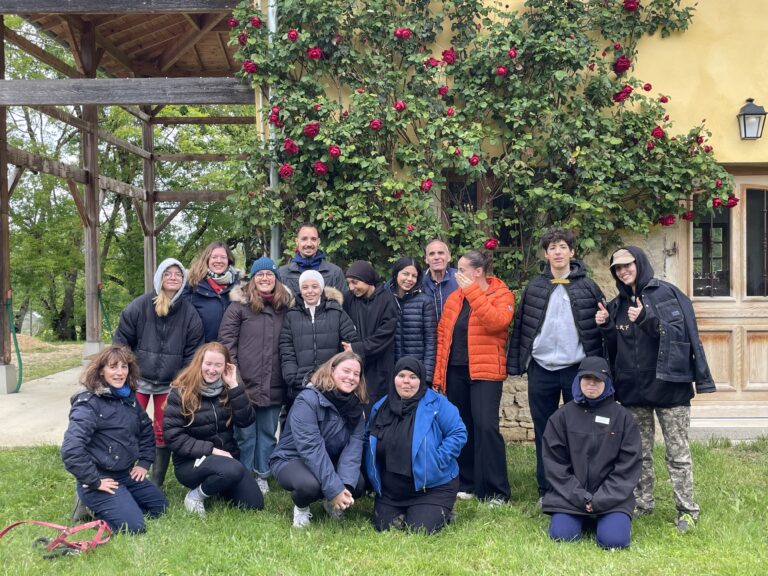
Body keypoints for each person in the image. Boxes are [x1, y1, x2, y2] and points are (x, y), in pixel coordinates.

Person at [596, 246, 715, 532]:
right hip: (633, 390)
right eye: (617, 268)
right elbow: (614, 349)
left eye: (628, 265)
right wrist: (607, 327)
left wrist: (646, 320)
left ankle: (687, 510)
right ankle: (642, 503)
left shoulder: (668, 294)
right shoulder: (616, 305)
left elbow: (680, 335)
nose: (623, 271)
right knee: (638, 453)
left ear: (640, 263)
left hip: (670, 388)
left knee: (677, 454)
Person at [506, 228, 605, 501]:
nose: (558, 252)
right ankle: (547, 488)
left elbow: (600, 329)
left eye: (562, 247)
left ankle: (579, 486)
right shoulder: (535, 287)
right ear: (546, 254)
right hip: (542, 368)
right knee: (545, 430)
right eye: (552, 248)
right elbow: (522, 327)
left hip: (576, 369)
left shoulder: (588, 287)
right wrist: (517, 364)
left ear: (572, 251)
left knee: (580, 430)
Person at [113, 257, 204, 488]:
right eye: (168, 273)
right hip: (139, 380)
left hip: (169, 383)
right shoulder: (140, 306)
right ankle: (123, 473)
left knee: (163, 430)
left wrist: (181, 379)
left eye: (178, 274)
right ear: (159, 277)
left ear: (183, 280)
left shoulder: (189, 313)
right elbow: (121, 342)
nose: (173, 278)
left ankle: (155, 482)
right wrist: (126, 373)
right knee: (129, 425)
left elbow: (193, 351)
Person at [433, 250, 514, 504]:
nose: (457, 274)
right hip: (456, 371)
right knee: (463, 427)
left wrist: (473, 292)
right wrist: (438, 377)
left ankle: (496, 491)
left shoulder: (501, 293)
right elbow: (443, 337)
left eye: (462, 269)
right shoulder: (454, 298)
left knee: (486, 427)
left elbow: (496, 322)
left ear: (478, 272)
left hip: (485, 372)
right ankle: (467, 482)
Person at [61, 345, 168, 533]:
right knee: (133, 527)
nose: (120, 372)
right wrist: (94, 480)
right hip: (100, 477)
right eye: (113, 367)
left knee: (160, 507)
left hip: (125, 473)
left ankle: (122, 502)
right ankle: (90, 505)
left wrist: (144, 462)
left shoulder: (128, 398)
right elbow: (71, 449)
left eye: (124, 366)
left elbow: (146, 430)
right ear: (101, 371)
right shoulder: (88, 403)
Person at [542, 356, 642, 549]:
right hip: (570, 498)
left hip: (613, 499)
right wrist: (581, 497)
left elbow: (628, 466)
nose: (592, 384)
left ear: (607, 382)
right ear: (578, 381)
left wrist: (601, 499)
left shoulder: (623, 418)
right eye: (587, 378)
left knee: (614, 541)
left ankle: (604, 519)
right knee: (563, 536)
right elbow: (555, 465)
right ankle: (581, 517)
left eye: (597, 379)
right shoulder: (561, 417)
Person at [366, 357, 467, 534]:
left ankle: (442, 511)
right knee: (385, 527)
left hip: (432, 487)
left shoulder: (437, 403)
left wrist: (437, 460)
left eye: (413, 377)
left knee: (420, 529)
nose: (406, 381)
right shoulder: (380, 407)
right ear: (394, 378)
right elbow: (367, 438)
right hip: (392, 491)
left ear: (421, 379)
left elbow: (458, 433)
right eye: (401, 376)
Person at [219, 256, 292, 496]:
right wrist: (235, 380)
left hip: (274, 382)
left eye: (269, 274)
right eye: (260, 274)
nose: (264, 278)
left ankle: (263, 474)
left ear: (276, 278)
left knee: (268, 433)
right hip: (244, 383)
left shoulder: (285, 308)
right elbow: (227, 344)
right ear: (253, 278)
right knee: (245, 434)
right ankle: (244, 474)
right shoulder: (238, 306)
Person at [163, 342, 264, 516]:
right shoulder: (181, 392)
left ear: (226, 367)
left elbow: (246, 421)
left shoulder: (228, 388)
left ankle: (218, 484)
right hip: (190, 463)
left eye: (218, 365)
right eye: (208, 364)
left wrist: (234, 386)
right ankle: (195, 496)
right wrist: (213, 450)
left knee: (254, 503)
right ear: (199, 363)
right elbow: (173, 437)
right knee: (233, 469)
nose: (212, 370)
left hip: (227, 461)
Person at [270, 351, 367, 528]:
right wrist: (334, 488)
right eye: (346, 371)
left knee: (356, 483)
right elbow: (311, 448)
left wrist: (344, 487)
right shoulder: (307, 399)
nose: (351, 377)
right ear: (332, 370)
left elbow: (353, 449)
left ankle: (332, 503)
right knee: (309, 486)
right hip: (292, 458)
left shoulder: (356, 407)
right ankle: (301, 508)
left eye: (356, 374)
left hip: (327, 458)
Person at [279, 270, 358, 403]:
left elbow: (350, 344)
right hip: (300, 384)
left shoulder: (336, 312)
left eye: (314, 286)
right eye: (305, 287)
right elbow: (286, 349)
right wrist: (292, 376)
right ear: (300, 290)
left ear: (321, 288)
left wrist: (336, 374)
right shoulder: (291, 315)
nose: (310, 291)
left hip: (331, 383)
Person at [344, 260, 398, 410]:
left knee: (376, 410)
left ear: (367, 279)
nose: (351, 287)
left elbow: (385, 335)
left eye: (355, 282)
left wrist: (357, 348)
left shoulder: (387, 300)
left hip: (380, 368)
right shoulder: (349, 299)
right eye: (349, 283)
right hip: (354, 365)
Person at [385, 257, 437, 384]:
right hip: (390, 369)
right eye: (405, 274)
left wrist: (426, 375)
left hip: (416, 370)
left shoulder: (425, 301)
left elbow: (431, 341)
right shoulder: (385, 299)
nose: (409, 279)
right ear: (396, 274)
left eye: (414, 276)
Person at [183, 241, 241, 343]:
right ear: (207, 259)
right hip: (200, 349)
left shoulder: (239, 286)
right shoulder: (192, 284)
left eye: (223, 257)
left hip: (229, 349)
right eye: (214, 257)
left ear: (229, 260)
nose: (219, 261)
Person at [278, 222, 347, 296]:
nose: (309, 244)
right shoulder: (282, 274)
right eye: (304, 239)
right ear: (297, 242)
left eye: (313, 239)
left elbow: (343, 302)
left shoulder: (335, 273)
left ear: (318, 242)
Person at [421, 239, 459, 322]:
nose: (436, 257)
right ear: (426, 259)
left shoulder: (459, 278)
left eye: (441, 253)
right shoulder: (418, 280)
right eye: (432, 254)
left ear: (449, 257)